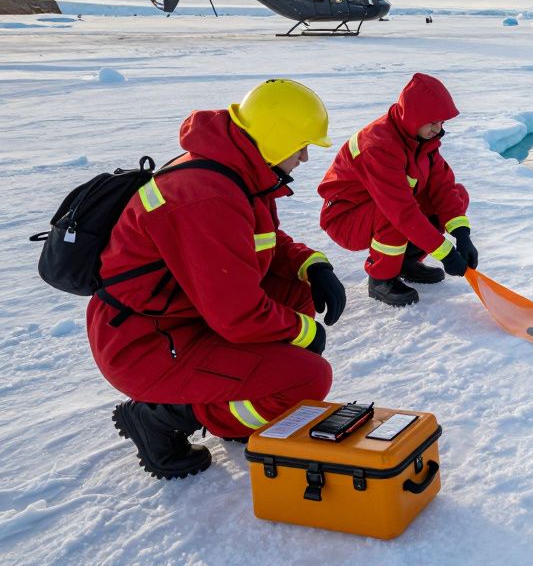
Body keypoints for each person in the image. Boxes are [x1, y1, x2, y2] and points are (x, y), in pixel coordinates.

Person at [89, 79, 347, 480]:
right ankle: (159, 419)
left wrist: (312, 265)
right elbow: (240, 315)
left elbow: (258, 242)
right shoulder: (207, 196)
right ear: (276, 140)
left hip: (183, 318)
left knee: (295, 287)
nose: (305, 157)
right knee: (310, 377)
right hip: (145, 343)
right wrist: (303, 331)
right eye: (301, 146)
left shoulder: (233, 169)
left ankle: (241, 397)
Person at [318, 72, 478, 306]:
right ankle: (381, 278)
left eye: (442, 122)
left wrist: (462, 235)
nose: (438, 128)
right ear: (413, 117)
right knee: (392, 213)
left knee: (457, 193)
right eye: (433, 122)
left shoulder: (423, 140)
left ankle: (405, 262)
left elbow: (443, 188)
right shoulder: (378, 145)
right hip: (346, 218)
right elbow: (401, 211)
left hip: (382, 209)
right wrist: (445, 252)